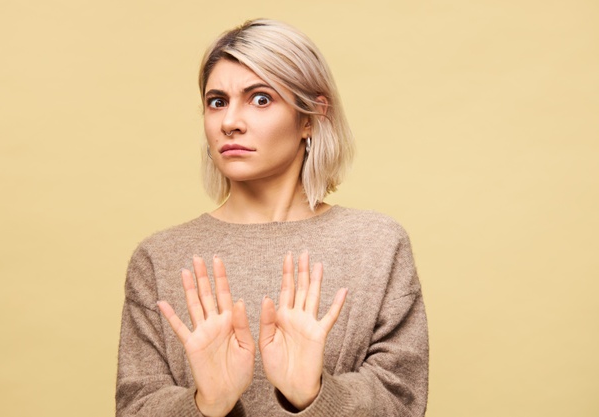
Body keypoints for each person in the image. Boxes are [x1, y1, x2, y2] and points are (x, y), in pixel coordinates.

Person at [116, 18, 428, 417]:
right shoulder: (159, 258)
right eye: (217, 102)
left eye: (260, 99)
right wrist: (207, 404)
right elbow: (136, 407)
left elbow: (402, 404)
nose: (229, 122)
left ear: (310, 117)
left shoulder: (376, 245)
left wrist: (313, 394)